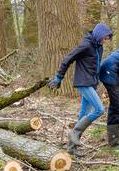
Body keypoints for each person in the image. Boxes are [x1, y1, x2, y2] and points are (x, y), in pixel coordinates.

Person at [48, 22, 113, 155]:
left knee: (83, 115)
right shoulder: (86, 45)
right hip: (83, 83)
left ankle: (71, 149)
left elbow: (96, 65)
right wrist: (59, 77)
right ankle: (74, 133)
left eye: (107, 39)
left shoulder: (99, 47)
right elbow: (68, 59)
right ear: (98, 34)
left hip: (92, 83)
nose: (105, 41)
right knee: (100, 109)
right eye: (104, 38)